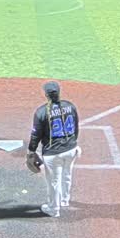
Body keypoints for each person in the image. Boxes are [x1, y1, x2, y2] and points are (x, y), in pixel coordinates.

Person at [26, 81, 80, 218]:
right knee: (67, 174)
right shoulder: (70, 106)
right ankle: (64, 200)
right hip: (71, 149)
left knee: (54, 182)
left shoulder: (42, 112)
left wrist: (31, 151)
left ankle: (54, 209)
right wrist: (73, 143)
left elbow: (36, 135)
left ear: (46, 95)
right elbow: (76, 127)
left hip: (53, 153)